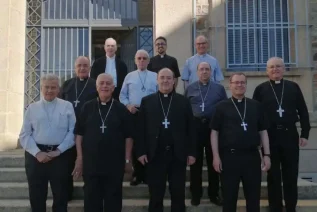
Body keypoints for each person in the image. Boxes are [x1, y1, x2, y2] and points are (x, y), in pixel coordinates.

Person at [253, 57, 311, 212]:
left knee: (291, 174)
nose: (275, 69)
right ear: (267, 71)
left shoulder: (293, 87)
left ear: (284, 69)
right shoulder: (260, 89)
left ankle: (291, 206)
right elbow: (255, 116)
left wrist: (305, 133)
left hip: (290, 135)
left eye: (278, 66)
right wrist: (257, 139)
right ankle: (275, 207)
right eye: (271, 67)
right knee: (273, 176)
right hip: (269, 137)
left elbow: (303, 111)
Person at [136, 68, 196, 212]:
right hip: (155, 154)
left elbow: (191, 129)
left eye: (169, 78)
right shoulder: (147, 101)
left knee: (178, 193)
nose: (165, 81)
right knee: (156, 194)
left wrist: (192, 152)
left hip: (177, 155)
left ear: (174, 81)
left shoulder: (183, 101)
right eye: (162, 78)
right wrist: (141, 152)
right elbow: (140, 129)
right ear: (157, 80)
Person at [72, 73, 134, 212]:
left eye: (108, 83)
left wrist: (127, 159)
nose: (105, 86)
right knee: (91, 201)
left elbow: (128, 137)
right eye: (102, 83)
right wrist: (79, 158)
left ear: (113, 87)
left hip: (114, 164)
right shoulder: (87, 107)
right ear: (96, 86)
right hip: (91, 163)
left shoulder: (121, 109)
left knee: (113, 201)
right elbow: (79, 135)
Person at [210, 73, 271, 212]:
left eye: (242, 82)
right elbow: (214, 132)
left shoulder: (255, 105)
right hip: (229, 157)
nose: (239, 85)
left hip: (252, 157)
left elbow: (263, 131)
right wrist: (216, 156)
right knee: (229, 198)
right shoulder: (221, 107)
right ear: (230, 85)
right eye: (236, 82)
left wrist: (266, 154)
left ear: (246, 85)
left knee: (253, 198)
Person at [19, 73, 76, 212]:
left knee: (61, 195)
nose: (49, 90)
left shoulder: (67, 106)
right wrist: (37, 153)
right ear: (41, 88)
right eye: (46, 87)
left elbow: (73, 132)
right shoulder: (32, 108)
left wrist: (59, 150)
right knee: (36, 196)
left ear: (58, 89)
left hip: (60, 155)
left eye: (53, 87)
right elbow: (24, 135)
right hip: (36, 156)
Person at [184, 62, 227, 206]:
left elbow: (224, 109)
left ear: (211, 71)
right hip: (195, 128)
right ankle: (196, 194)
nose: (204, 72)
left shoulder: (219, 89)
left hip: (213, 127)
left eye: (207, 69)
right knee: (195, 163)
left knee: (213, 162)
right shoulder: (190, 88)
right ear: (197, 72)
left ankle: (213, 194)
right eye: (201, 69)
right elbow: (186, 110)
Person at [59, 56, 97, 201]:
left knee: (88, 163)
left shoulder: (95, 84)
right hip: (68, 130)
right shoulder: (67, 84)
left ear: (89, 68)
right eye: (79, 65)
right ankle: (67, 193)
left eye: (85, 66)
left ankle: (90, 193)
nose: (82, 68)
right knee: (67, 164)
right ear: (75, 68)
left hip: (88, 130)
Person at [119, 49, 158, 186]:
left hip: (151, 113)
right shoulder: (129, 76)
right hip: (134, 112)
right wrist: (128, 106)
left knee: (149, 142)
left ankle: (148, 174)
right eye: (139, 58)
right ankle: (137, 174)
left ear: (148, 61)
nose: (141, 60)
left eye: (144, 58)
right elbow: (122, 96)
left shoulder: (155, 76)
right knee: (135, 144)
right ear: (135, 61)